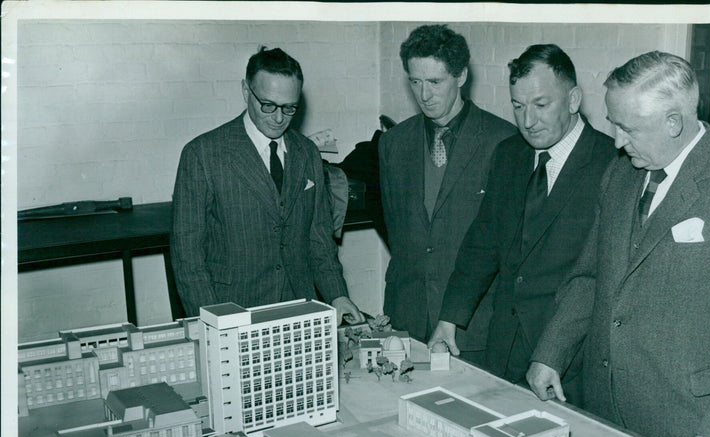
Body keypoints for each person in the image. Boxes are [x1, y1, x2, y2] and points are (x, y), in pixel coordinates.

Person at [527, 51, 710, 437]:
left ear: (673, 123)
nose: (618, 141)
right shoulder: (620, 174)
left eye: (627, 128)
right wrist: (551, 352)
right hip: (603, 404)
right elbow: (590, 277)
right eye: (613, 124)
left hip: (687, 423)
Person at [428, 44, 616, 396]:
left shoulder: (611, 165)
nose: (528, 121)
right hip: (505, 349)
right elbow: (482, 243)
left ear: (574, 99)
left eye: (541, 105)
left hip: (570, 362)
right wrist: (450, 316)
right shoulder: (508, 154)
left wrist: (554, 353)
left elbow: (599, 279)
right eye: (518, 106)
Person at [171, 46, 363, 325]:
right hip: (233, 311)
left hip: (300, 307)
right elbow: (187, 256)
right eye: (268, 105)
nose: (278, 118)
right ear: (246, 92)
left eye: (289, 108)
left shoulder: (307, 152)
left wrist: (337, 295)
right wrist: (213, 324)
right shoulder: (203, 154)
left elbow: (319, 238)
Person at [379, 24, 516, 365]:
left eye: (435, 82)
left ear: (462, 77)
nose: (424, 95)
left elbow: (506, 246)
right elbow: (397, 230)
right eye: (415, 81)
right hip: (407, 320)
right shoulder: (393, 143)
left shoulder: (504, 142)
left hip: (474, 329)